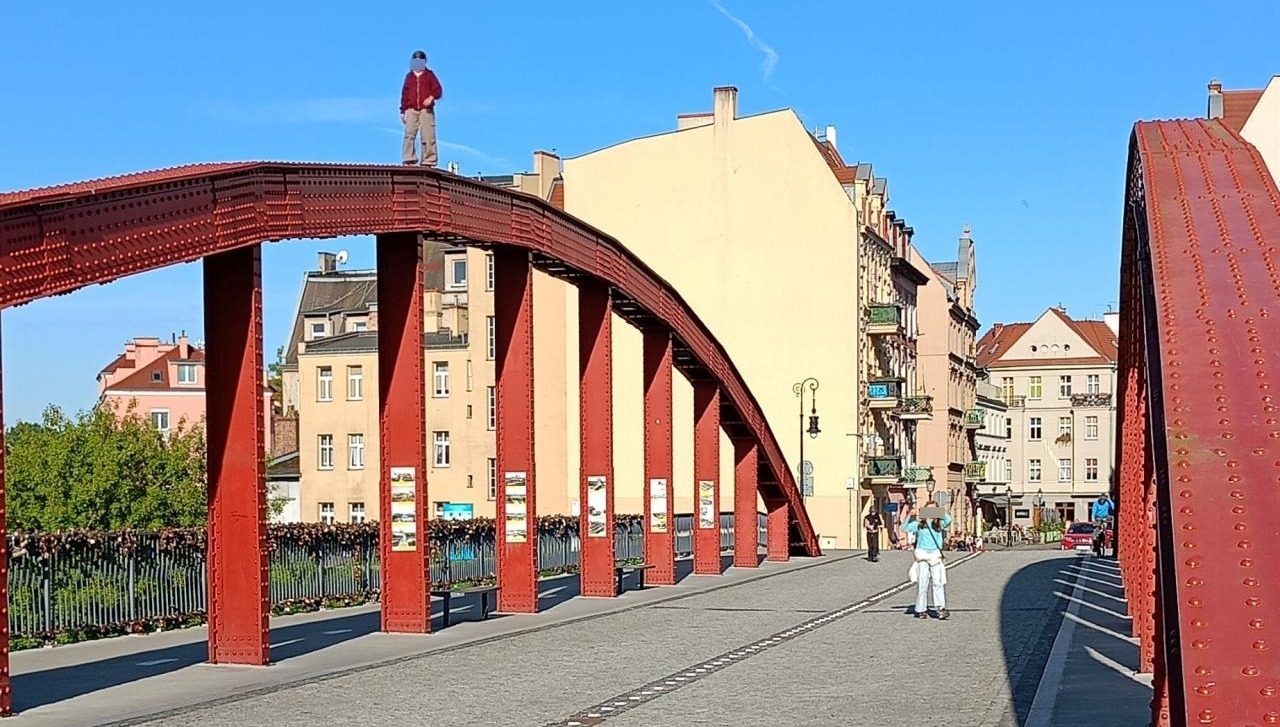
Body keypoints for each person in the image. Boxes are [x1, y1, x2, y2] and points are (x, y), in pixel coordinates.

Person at [905, 503, 952, 620]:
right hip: (922, 555)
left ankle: (941, 608)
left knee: (938, 582)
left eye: (933, 510)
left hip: (935, 555)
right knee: (922, 583)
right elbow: (905, 528)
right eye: (928, 510)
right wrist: (910, 516)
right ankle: (921, 609)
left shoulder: (939, 524)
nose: (930, 513)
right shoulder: (920, 524)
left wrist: (939, 512)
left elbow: (949, 519)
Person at [400, 50, 444, 167]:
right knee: (409, 135)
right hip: (411, 109)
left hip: (426, 110)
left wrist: (431, 97)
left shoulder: (429, 75)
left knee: (428, 135)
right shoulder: (409, 77)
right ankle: (409, 159)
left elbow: (438, 90)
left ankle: (429, 160)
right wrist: (403, 111)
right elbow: (404, 94)